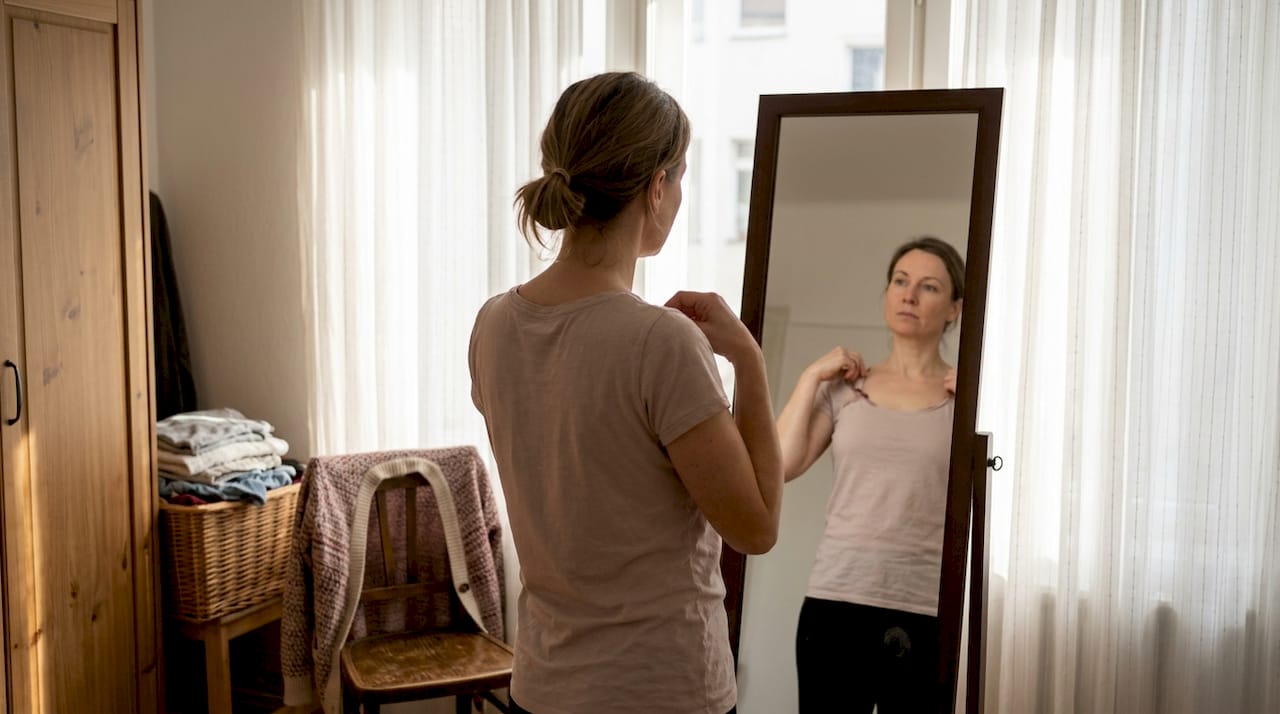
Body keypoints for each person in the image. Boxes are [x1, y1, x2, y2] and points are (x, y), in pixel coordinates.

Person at [468, 71, 784, 714]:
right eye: (683, 176)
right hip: (660, 690)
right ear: (657, 187)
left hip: (542, 687)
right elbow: (757, 527)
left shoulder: (493, 324)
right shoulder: (659, 342)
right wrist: (749, 362)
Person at [775, 236, 965, 713]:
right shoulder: (847, 389)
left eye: (928, 287)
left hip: (924, 609)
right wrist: (810, 378)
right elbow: (779, 463)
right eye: (900, 282)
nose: (909, 295)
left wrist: (982, 403)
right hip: (835, 601)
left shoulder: (964, 399)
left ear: (953, 310)